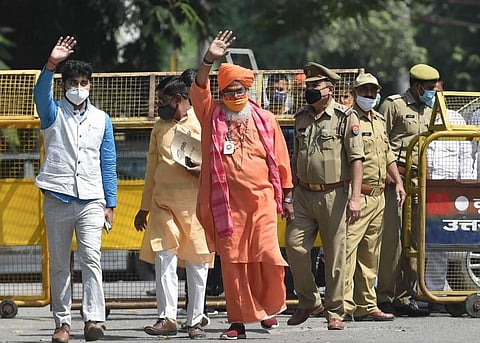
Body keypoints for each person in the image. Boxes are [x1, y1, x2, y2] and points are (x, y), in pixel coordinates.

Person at [189, 30, 294, 340]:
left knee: (268, 256)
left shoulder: (265, 118)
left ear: (247, 90)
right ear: (221, 94)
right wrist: (209, 59)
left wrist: (286, 198)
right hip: (227, 207)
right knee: (234, 264)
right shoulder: (212, 116)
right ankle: (237, 321)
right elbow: (198, 90)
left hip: (262, 203)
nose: (235, 95)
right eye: (229, 91)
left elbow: (281, 161)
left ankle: (267, 309)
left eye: (239, 90)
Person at [33, 36, 117, 343]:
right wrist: (51, 64)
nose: (77, 87)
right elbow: (40, 93)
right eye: (72, 82)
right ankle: (62, 323)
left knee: (91, 258)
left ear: (90, 85)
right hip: (57, 195)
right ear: (64, 85)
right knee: (59, 262)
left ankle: (94, 319)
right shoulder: (52, 112)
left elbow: (108, 161)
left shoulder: (102, 119)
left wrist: (111, 202)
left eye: (83, 82)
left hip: (92, 198)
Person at [134, 69, 214, 340]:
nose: (160, 107)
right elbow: (151, 167)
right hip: (162, 204)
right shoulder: (159, 127)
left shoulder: (203, 121)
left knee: (197, 262)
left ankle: (195, 321)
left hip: (194, 205)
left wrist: (201, 169)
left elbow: (217, 165)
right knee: (164, 258)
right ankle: (166, 317)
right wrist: (144, 206)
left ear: (180, 98)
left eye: (164, 101)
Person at [285, 61, 365, 330]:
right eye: (307, 86)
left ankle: (335, 311)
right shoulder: (301, 117)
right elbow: (296, 156)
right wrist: (290, 193)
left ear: (329, 89)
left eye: (315, 86)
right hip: (304, 195)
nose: (309, 90)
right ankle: (308, 301)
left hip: (336, 194)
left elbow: (356, 160)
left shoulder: (345, 117)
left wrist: (355, 198)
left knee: (335, 256)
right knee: (295, 247)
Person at [377, 64, 440, 317]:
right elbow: (382, 143)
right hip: (396, 181)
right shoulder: (393, 105)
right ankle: (384, 296)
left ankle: (405, 295)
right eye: (429, 89)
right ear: (416, 87)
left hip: (421, 182)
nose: (433, 93)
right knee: (392, 242)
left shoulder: (433, 108)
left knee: (416, 243)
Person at [344, 73, 406, 322]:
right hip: (356, 194)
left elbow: (388, 153)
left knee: (370, 255)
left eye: (373, 91)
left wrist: (399, 182)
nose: (369, 96)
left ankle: (366, 305)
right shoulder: (347, 119)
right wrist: (353, 197)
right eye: (364, 91)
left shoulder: (379, 120)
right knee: (347, 253)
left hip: (379, 195)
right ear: (354, 92)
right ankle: (343, 306)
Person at [425, 81, 475, 312]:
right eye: (428, 90)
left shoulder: (457, 120)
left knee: (440, 245)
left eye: (436, 90)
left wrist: (466, 187)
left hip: (448, 192)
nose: (433, 94)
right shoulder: (420, 118)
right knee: (413, 244)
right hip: (421, 187)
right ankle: (412, 293)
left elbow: (467, 156)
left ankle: (435, 295)